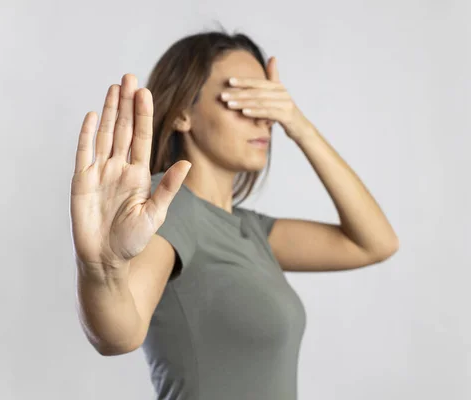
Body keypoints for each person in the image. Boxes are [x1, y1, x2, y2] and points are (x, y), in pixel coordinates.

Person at [70, 30, 399, 400]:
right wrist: (102, 270)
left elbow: (375, 243)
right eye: (243, 98)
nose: (264, 120)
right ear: (182, 113)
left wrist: (299, 125)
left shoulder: (248, 229)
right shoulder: (172, 207)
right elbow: (120, 333)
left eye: (268, 104)